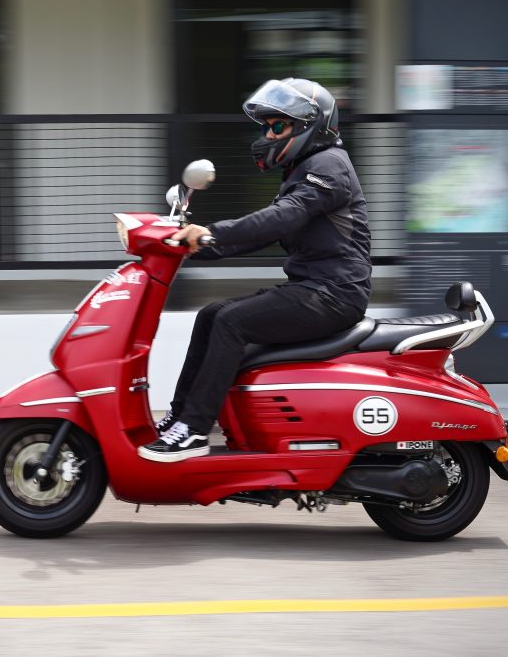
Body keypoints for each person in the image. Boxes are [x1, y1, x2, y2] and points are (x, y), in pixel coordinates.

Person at [138, 78, 372, 463]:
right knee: (212, 315)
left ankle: (194, 430)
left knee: (231, 321)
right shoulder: (304, 168)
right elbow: (259, 236)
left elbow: (281, 218)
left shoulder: (328, 166)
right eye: (266, 126)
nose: (267, 134)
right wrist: (190, 248)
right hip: (315, 289)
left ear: (307, 126)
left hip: (334, 294)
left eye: (276, 126)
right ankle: (179, 419)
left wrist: (212, 232)